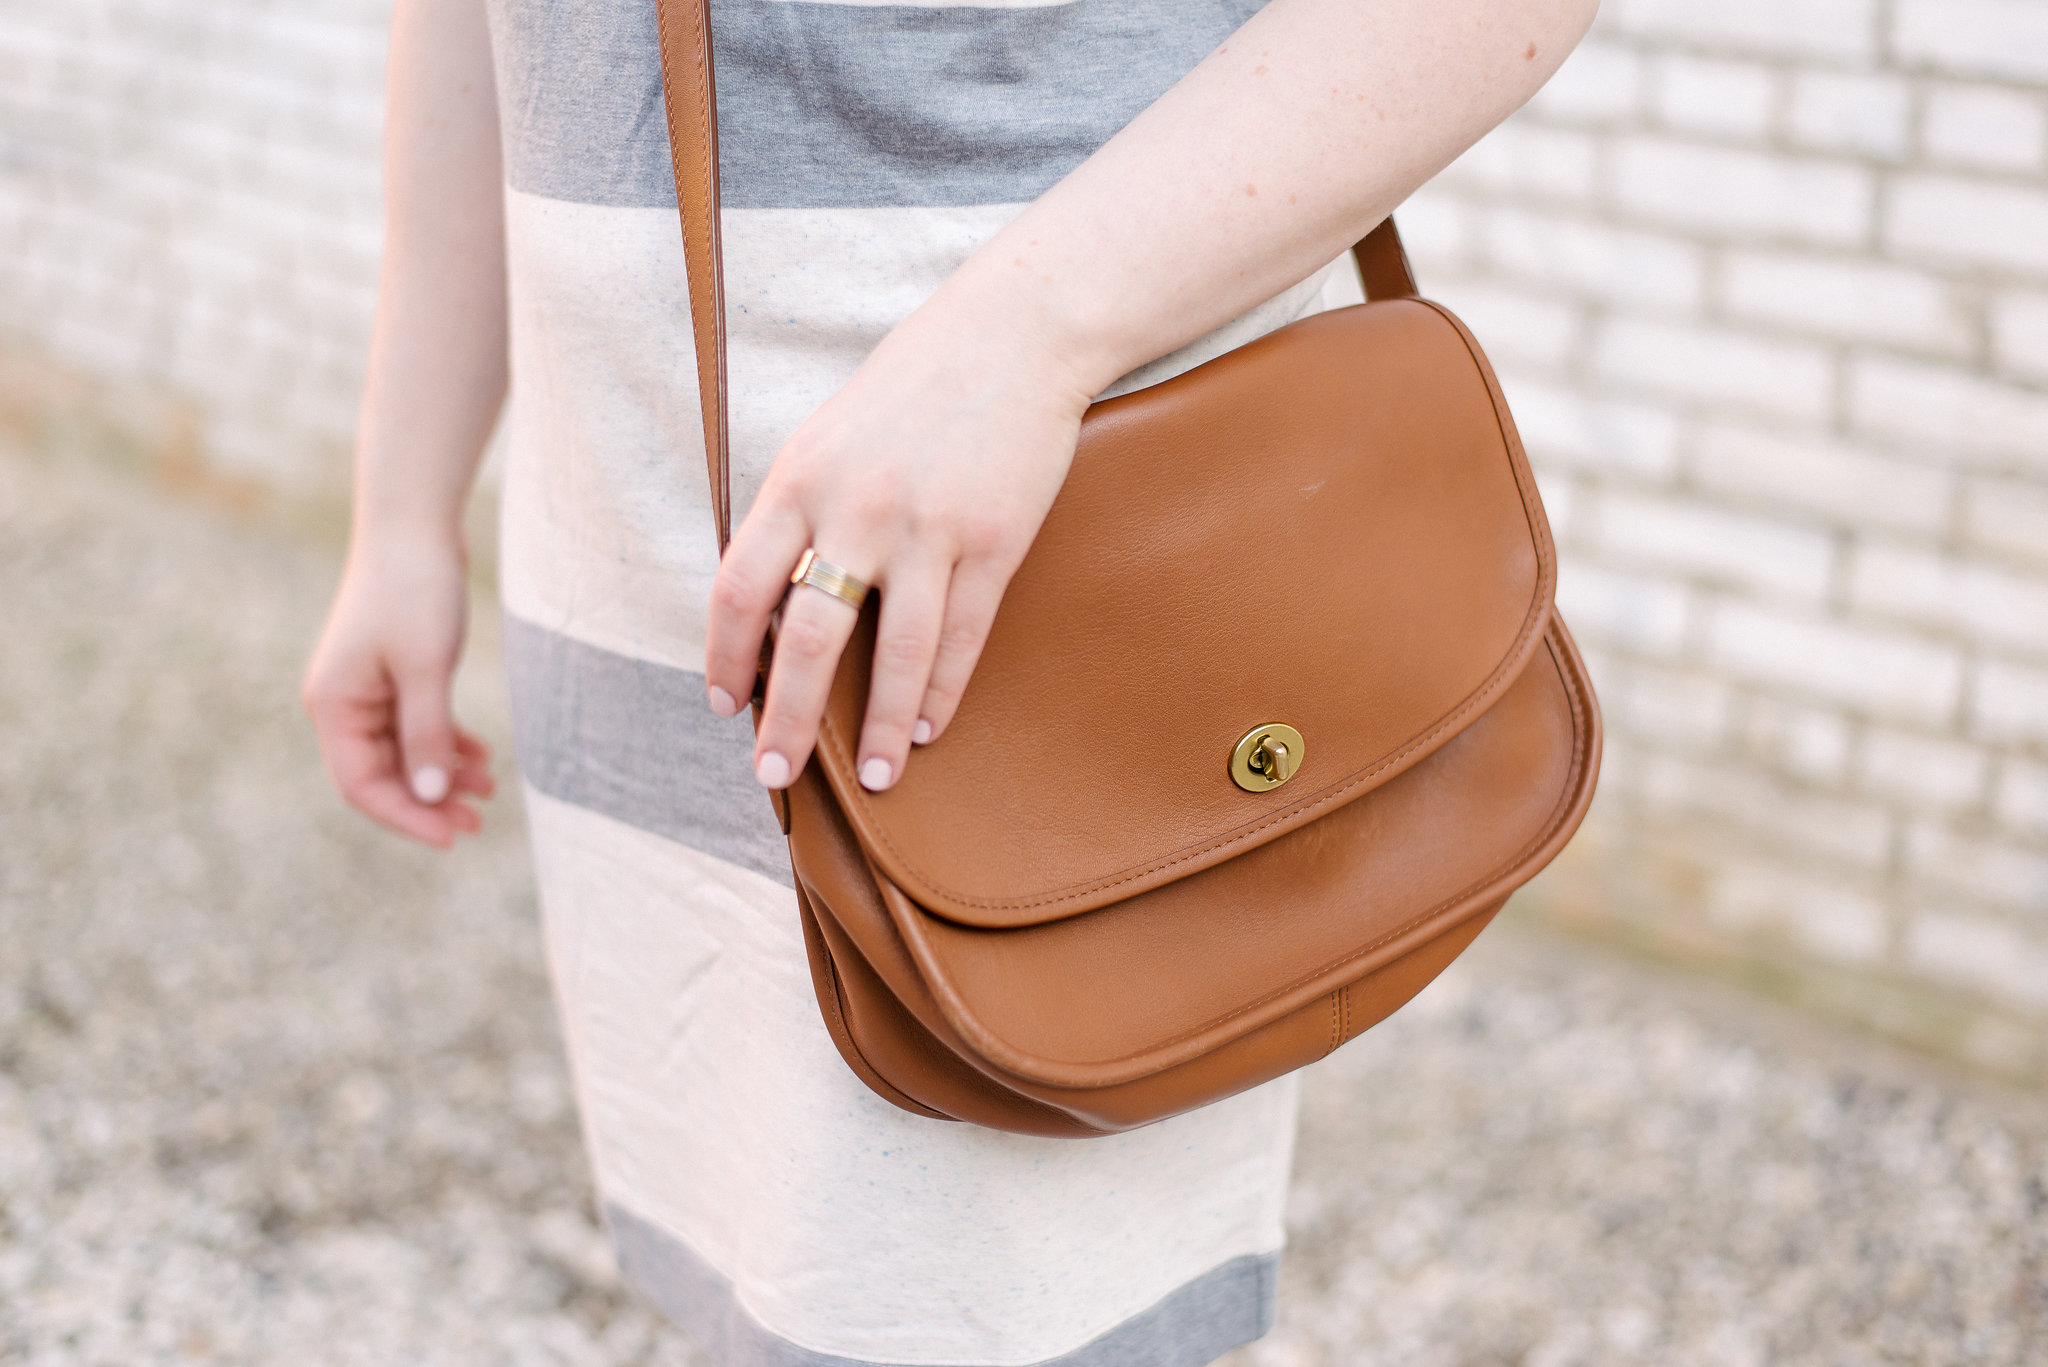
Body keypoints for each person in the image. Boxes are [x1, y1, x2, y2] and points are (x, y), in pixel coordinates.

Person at [303, 0, 1596, 1361]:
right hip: (637, 542)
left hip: (1024, 559)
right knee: (758, 1283)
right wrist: (402, 501)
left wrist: (1025, 342)